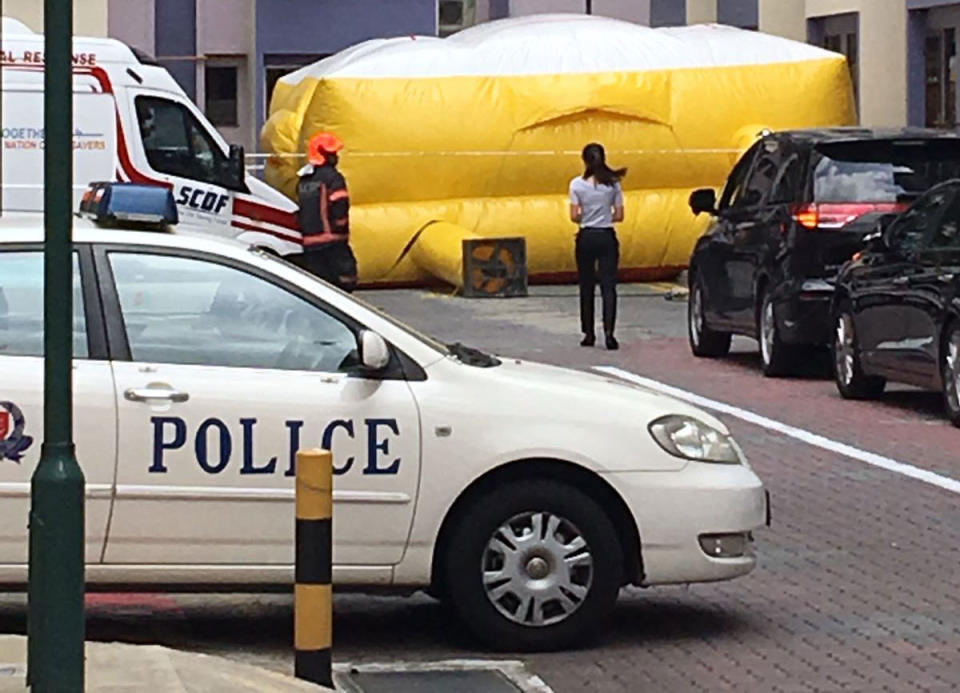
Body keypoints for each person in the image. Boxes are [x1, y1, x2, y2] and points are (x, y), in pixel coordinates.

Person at [569, 142, 626, 350]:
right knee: (609, 286)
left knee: (586, 285)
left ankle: (589, 333)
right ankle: (610, 333)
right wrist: (605, 216)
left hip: (586, 236)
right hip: (606, 235)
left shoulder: (576, 184)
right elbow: (619, 215)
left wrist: (587, 215)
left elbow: (574, 216)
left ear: (584, 160)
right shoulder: (613, 184)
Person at [289, 131, 358, 292]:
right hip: (333, 241)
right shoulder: (333, 178)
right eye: (332, 153)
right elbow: (340, 204)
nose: (335, 156)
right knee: (345, 282)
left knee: (319, 287)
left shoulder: (304, 180)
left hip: (309, 244)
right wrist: (341, 227)